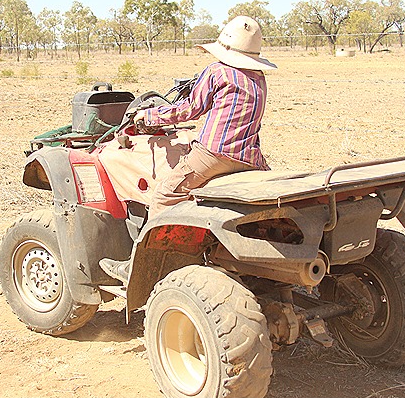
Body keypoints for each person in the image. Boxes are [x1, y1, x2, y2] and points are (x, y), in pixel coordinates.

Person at [100, 15, 277, 283]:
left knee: (164, 195)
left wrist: (149, 116)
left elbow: (189, 110)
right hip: (249, 156)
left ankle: (141, 265)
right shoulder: (259, 78)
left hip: (214, 154)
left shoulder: (217, 72)